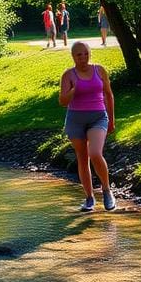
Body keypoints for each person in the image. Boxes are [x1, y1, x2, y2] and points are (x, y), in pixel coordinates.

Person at [59, 41, 116, 211]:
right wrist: (73, 90)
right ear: (73, 56)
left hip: (98, 117)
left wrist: (112, 120)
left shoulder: (99, 70)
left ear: (90, 53)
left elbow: (108, 94)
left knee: (95, 153)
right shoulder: (68, 75)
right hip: (75, 120)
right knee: (82, 159)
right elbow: (63, 101)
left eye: (86, 54)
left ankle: (106, 191)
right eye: (79, 55)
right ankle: (89, 198)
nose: (83, 58)